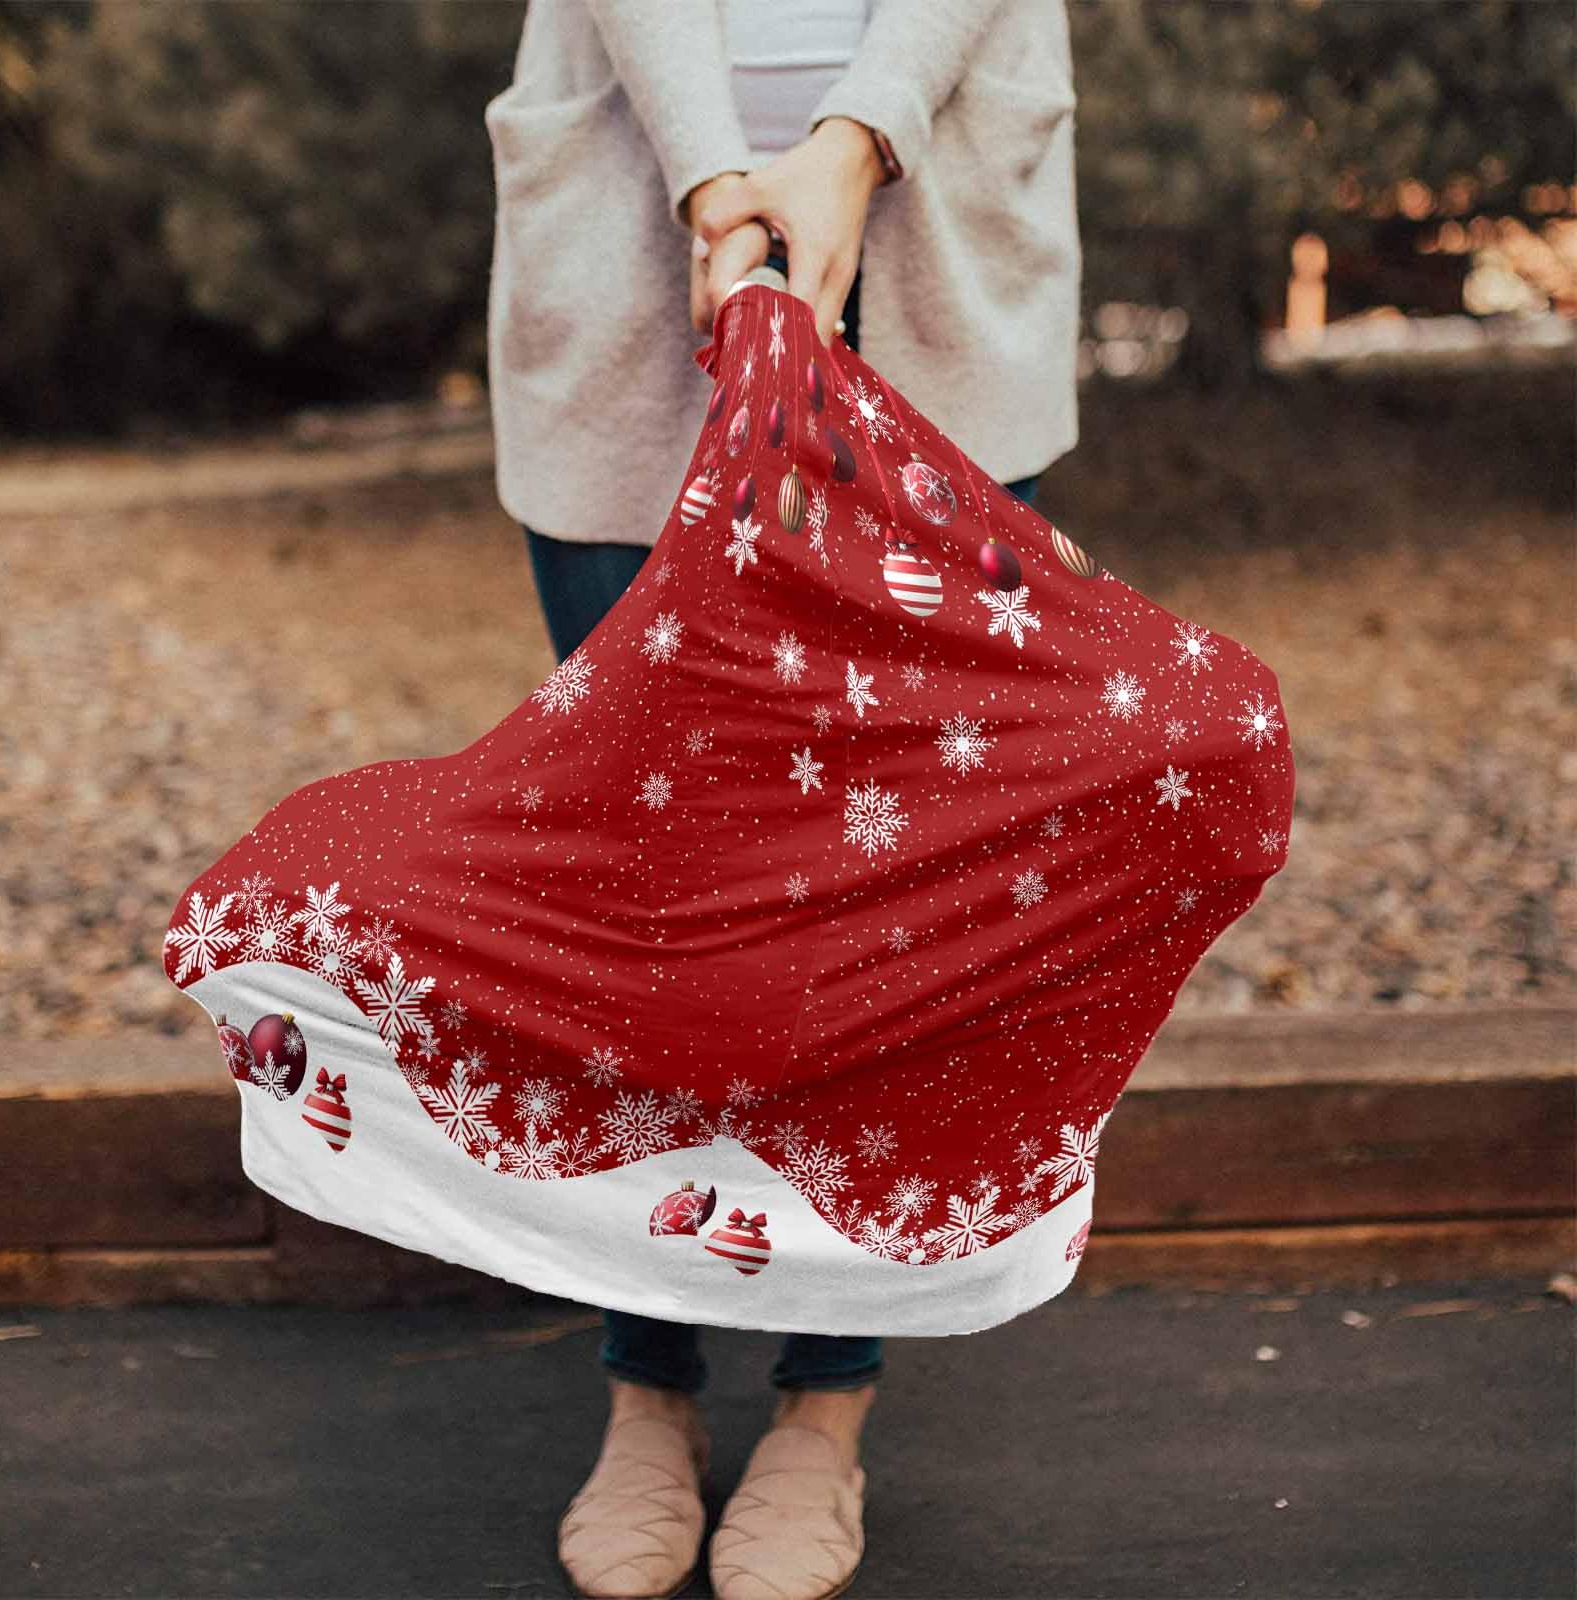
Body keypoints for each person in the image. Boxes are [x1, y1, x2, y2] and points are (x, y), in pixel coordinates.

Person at [483, 4, 1081, 1596]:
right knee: (649, 875)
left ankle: (826, 1402)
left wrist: (854, 137)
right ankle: (647, 1384)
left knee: (881, 893)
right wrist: (712, 179)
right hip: (635, 222)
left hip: (936, 222)